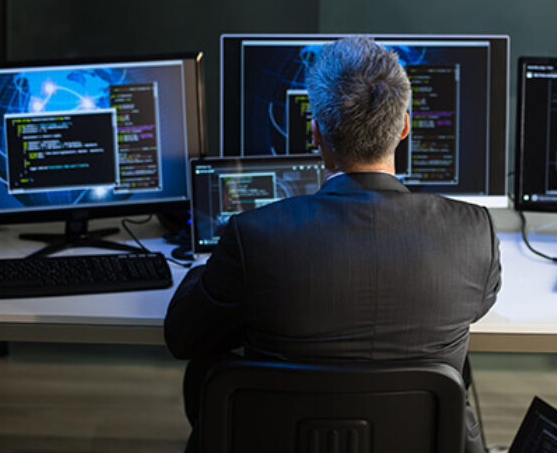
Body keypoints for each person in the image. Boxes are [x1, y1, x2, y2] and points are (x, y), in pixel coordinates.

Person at [164, 35, 501, 452]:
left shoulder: (254, 235)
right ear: (405, 128)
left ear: (317, 135)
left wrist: (208, 271)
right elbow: (478, 305)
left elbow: (183, 339)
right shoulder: (473, 233)